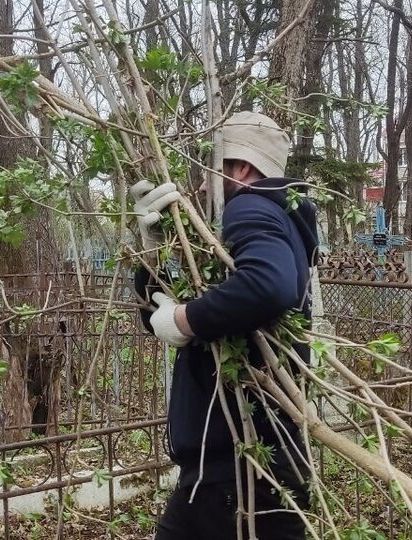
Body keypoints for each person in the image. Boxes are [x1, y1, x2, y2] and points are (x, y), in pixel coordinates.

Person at [131, 111, 318, 540]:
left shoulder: (249, 206)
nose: (199, 185)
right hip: (249, 460)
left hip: (236, 464)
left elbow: (267, 287)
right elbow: (156, 312)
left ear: (242, 169)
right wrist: (154, 253)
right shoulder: (276, 221)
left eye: (211, 171)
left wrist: (184, 319)